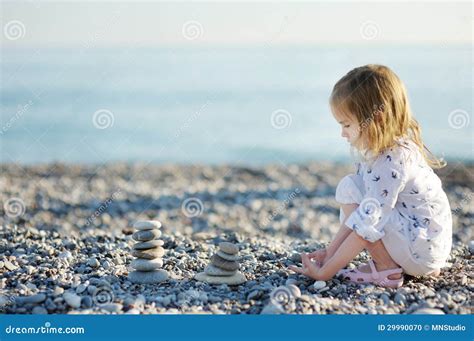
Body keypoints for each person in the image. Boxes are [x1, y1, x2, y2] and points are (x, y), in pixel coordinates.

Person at [289, 64, 452, 288]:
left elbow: (365, 227)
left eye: (346, 124)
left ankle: (387, 268)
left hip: (421, 252)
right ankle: (405, 262)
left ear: (376, 120)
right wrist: (331, 252)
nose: (342, 133)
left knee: (370, 214)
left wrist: (326, 272)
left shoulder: (390, 162)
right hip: (427, 245)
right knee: (351, 187)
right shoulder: (391, 148)